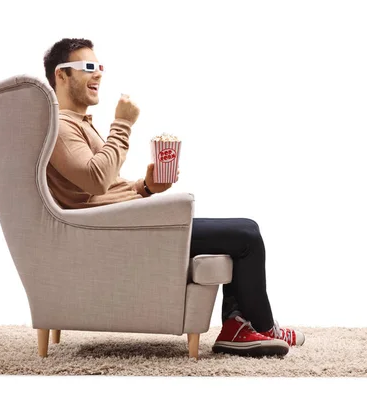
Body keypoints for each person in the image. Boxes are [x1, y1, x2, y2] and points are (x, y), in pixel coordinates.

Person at [43, 38, 305, 357]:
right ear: (61, 75)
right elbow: (97, 179)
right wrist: (122, 124)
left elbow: (101, 189)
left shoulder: (81, 126)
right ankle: (265, 328)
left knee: (244, 230)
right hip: (116, 234)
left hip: (124, 225)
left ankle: (240, 327)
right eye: (87, 67)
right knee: (246, 236)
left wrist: (147, 187)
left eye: (99, 67)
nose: (97, 75)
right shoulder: (59, 126)